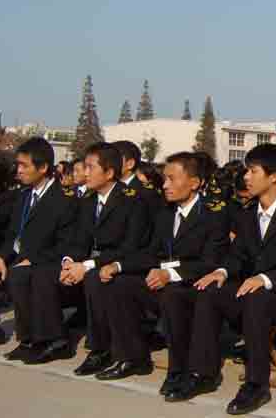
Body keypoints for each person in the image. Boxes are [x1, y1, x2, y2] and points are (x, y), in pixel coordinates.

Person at [171, 144, 276, 416]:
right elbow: (237, 255)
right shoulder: (248, 213)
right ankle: (203, 373)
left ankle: (256, 384)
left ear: (274, 176)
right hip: (256, 292)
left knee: (256, 297)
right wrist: (222, 272)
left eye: (253, 171)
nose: (246, 177)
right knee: (210, 291)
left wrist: (265, 278)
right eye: (246, 171)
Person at [99, 152, 229, 385]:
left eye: (171, 179)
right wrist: (118, 265)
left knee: (172, 295)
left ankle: (179, 370)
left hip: (195, 285)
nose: (165, 185)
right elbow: (152, 253)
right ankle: (131, 357)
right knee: (120, 285)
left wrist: (169, 274)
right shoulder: (166, 212)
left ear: (194, 183)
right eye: (164, 179)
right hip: (164, 279)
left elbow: (210, 262)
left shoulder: (214, 215)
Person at [56, 143, 149, 374]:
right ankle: (51, 339)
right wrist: (69, 262)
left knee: (96, 279)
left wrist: (86, 265)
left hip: (125, 264)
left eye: (90, 167)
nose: (85, 173)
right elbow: (80, 239)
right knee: (45, 273)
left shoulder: (132, 200)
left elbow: (129, 247)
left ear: (109, 173)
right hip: (94, 263)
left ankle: (106, 350)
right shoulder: (88, 200)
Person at [0, 137, 79, 362]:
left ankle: (53, 340)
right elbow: (13, 235)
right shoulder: (23, 196)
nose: (19, 170)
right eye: (18, 165)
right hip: (23, 259)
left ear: (43, 168)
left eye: (24, 165)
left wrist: (32, 259)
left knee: (25, 274)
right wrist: (1, 257)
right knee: (16, 272)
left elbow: (66, 244)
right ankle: (28, 339)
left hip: (50, 261)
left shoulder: (64, 200)